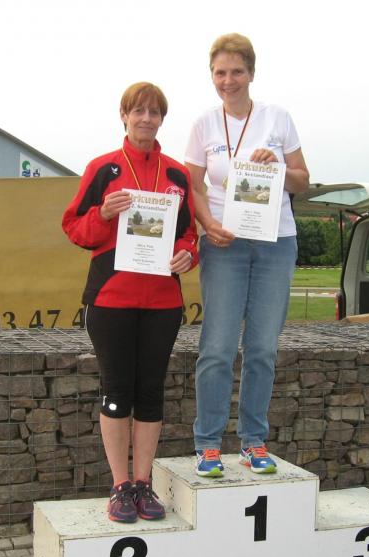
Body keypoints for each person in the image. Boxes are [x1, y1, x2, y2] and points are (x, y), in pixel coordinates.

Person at [62, 82, 199, 522]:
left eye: (153, 112)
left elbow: (188, 234)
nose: (145, 119)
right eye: (137, 111)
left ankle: (143, 484)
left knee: (151, 393)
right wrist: (103, 213)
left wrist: (188, 254)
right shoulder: (103, 169)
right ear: (124, 116)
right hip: (111, 298)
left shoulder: (177, 174)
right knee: (117, 391)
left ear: (162, 119)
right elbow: (74, 227)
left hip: (162, 302)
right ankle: (120, 486)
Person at [185, 33, 310, 477]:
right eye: (220, 72)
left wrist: (279, 167)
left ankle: (254, 440)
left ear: (251, 73)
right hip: (224, 243)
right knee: (217, 347)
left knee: (261, 348)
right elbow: (193, 186)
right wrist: (208, 225)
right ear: (212, 76)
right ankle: (208, 443)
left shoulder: (278, 117)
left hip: (276, 241)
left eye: (237, 71)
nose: (228, 80)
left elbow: (302, 180)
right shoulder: (203, 124)